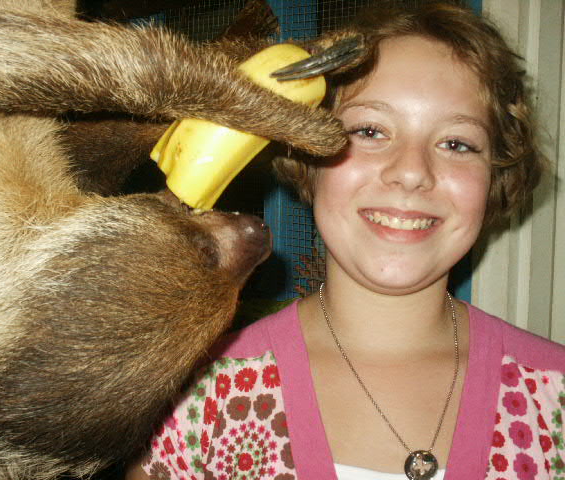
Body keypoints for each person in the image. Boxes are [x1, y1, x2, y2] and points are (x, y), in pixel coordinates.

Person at [128, 2, 564, 479]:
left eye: (456, 143)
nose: (412, 172)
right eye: (371, 131)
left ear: (494, 176)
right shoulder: (189, 401)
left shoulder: (554, 396)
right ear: (307, 157)